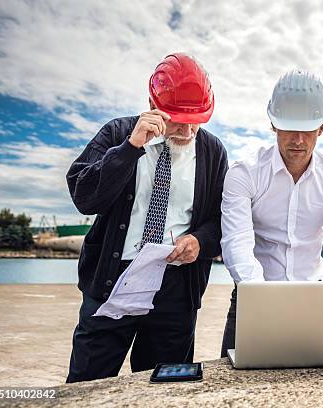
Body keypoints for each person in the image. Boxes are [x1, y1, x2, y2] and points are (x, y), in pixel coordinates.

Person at [65, 53, 228, 382]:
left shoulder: (213, 152)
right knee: (86, 385)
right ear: (152, 105)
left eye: (196, 118)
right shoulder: (117, 133)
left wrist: (200, 241)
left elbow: (220, 219)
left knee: (166, 389)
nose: (187, 129)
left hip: (175, 288)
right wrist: (130, 147)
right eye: (178, 119)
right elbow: (84, 197)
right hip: (112, 282)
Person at [220, 69, 323, 357]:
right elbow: (236, 243)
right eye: (289, 128)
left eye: (308, 130)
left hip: (313, 301)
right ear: (272, 124)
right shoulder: (244, 174)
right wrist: (263, 306)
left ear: (322, 127)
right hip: (253, 299)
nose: (298, 140)